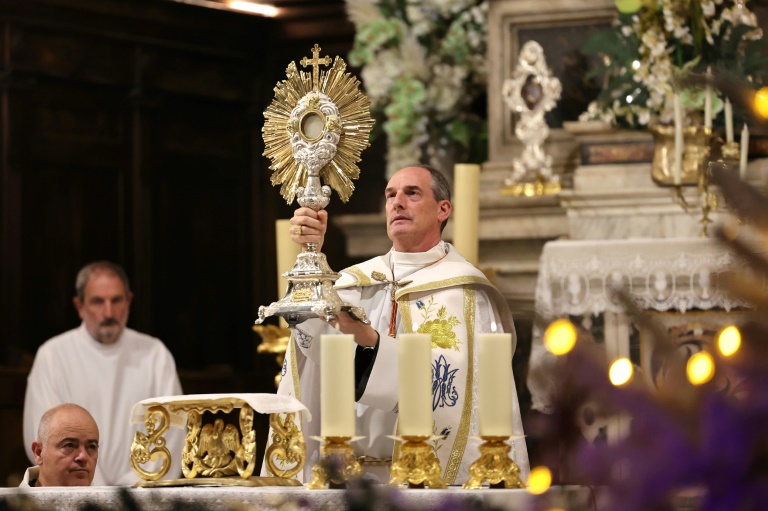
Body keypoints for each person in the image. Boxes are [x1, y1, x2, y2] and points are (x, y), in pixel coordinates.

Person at [262, 164, 529, 484]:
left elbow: (457, 388)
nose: (397, 202)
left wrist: (371, 341)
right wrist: (312, 256)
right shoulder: (351, 284)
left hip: (428, 481)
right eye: (390, 195)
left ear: (443, 209)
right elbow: (316, 357)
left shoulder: (465, 294)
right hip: (347, 478)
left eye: (411, 193)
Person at [23, 261, 184, 486]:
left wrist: (129, 493)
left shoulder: (155, 354)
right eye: (98, 301)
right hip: (73, 497)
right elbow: (44, 435)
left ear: (128, 301)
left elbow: (172, 431)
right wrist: (96, 492)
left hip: (142, 499)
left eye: (116, 300)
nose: (108, 312)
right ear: (79, 306)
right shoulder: (53, 355)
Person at [21, 404, 100, 487]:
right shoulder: (11, 500)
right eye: (69, 445)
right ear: (39, 453)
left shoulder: (111, 500)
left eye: (91, 447)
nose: (83, 457)